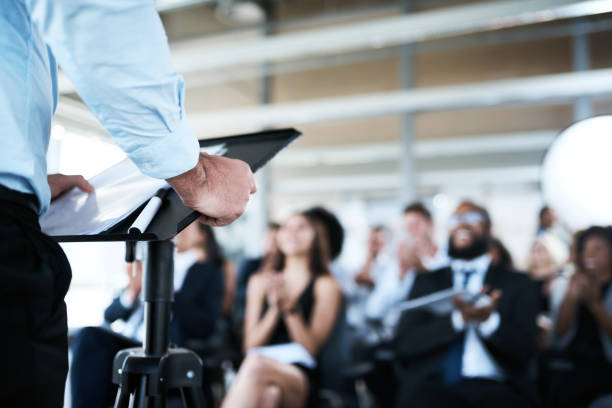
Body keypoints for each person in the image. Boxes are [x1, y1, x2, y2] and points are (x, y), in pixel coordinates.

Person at [1, 3, 255, 405]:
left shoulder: (210, 270)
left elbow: (201, 322)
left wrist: (36, 186)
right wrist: (198, 177)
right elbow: (95, 12)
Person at [393, 201, 539, 408]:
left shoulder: (517, 283)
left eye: (472, 219)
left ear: (488, 231)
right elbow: (405, 345)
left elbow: (526, 350)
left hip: (498, 388)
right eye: (455, 220)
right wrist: (457, 319)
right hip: (434, 388)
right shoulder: (427, 281)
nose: (462, 225)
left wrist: (490, 322)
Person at [69, 223, 226, 408]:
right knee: (89, 336)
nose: (178, 230)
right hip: (132, 341)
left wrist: (162, 288)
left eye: (185, 227)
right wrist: (132, 291)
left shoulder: (207, 271)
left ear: (201, 236)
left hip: (167, 346)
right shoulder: (146, 264)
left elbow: (205, 325)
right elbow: (110, 315)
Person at [221, 212, 343, 408]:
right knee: (270, 395)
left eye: (301, 227)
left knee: (255, 364)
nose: (292, 233)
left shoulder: (326, 284)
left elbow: (310, 351)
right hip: (260, 367)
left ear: (316, 235)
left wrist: (289, 307)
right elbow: (250, 345)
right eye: (286, 227)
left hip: (299, 374)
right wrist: (274, 310)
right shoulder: (259, 281)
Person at [546, 226, 612, 408]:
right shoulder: (569, 282)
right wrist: (570, 297)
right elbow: (559, 335)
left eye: (598, 248)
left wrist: (595, 304)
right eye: (585, 249)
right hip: (572, 363)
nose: (590, 255)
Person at [403, 201, 447, 270]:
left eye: (417, 223)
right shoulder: (403, 259)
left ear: (430, 223)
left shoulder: (444, 252)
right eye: (409, 225)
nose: (413, 229)